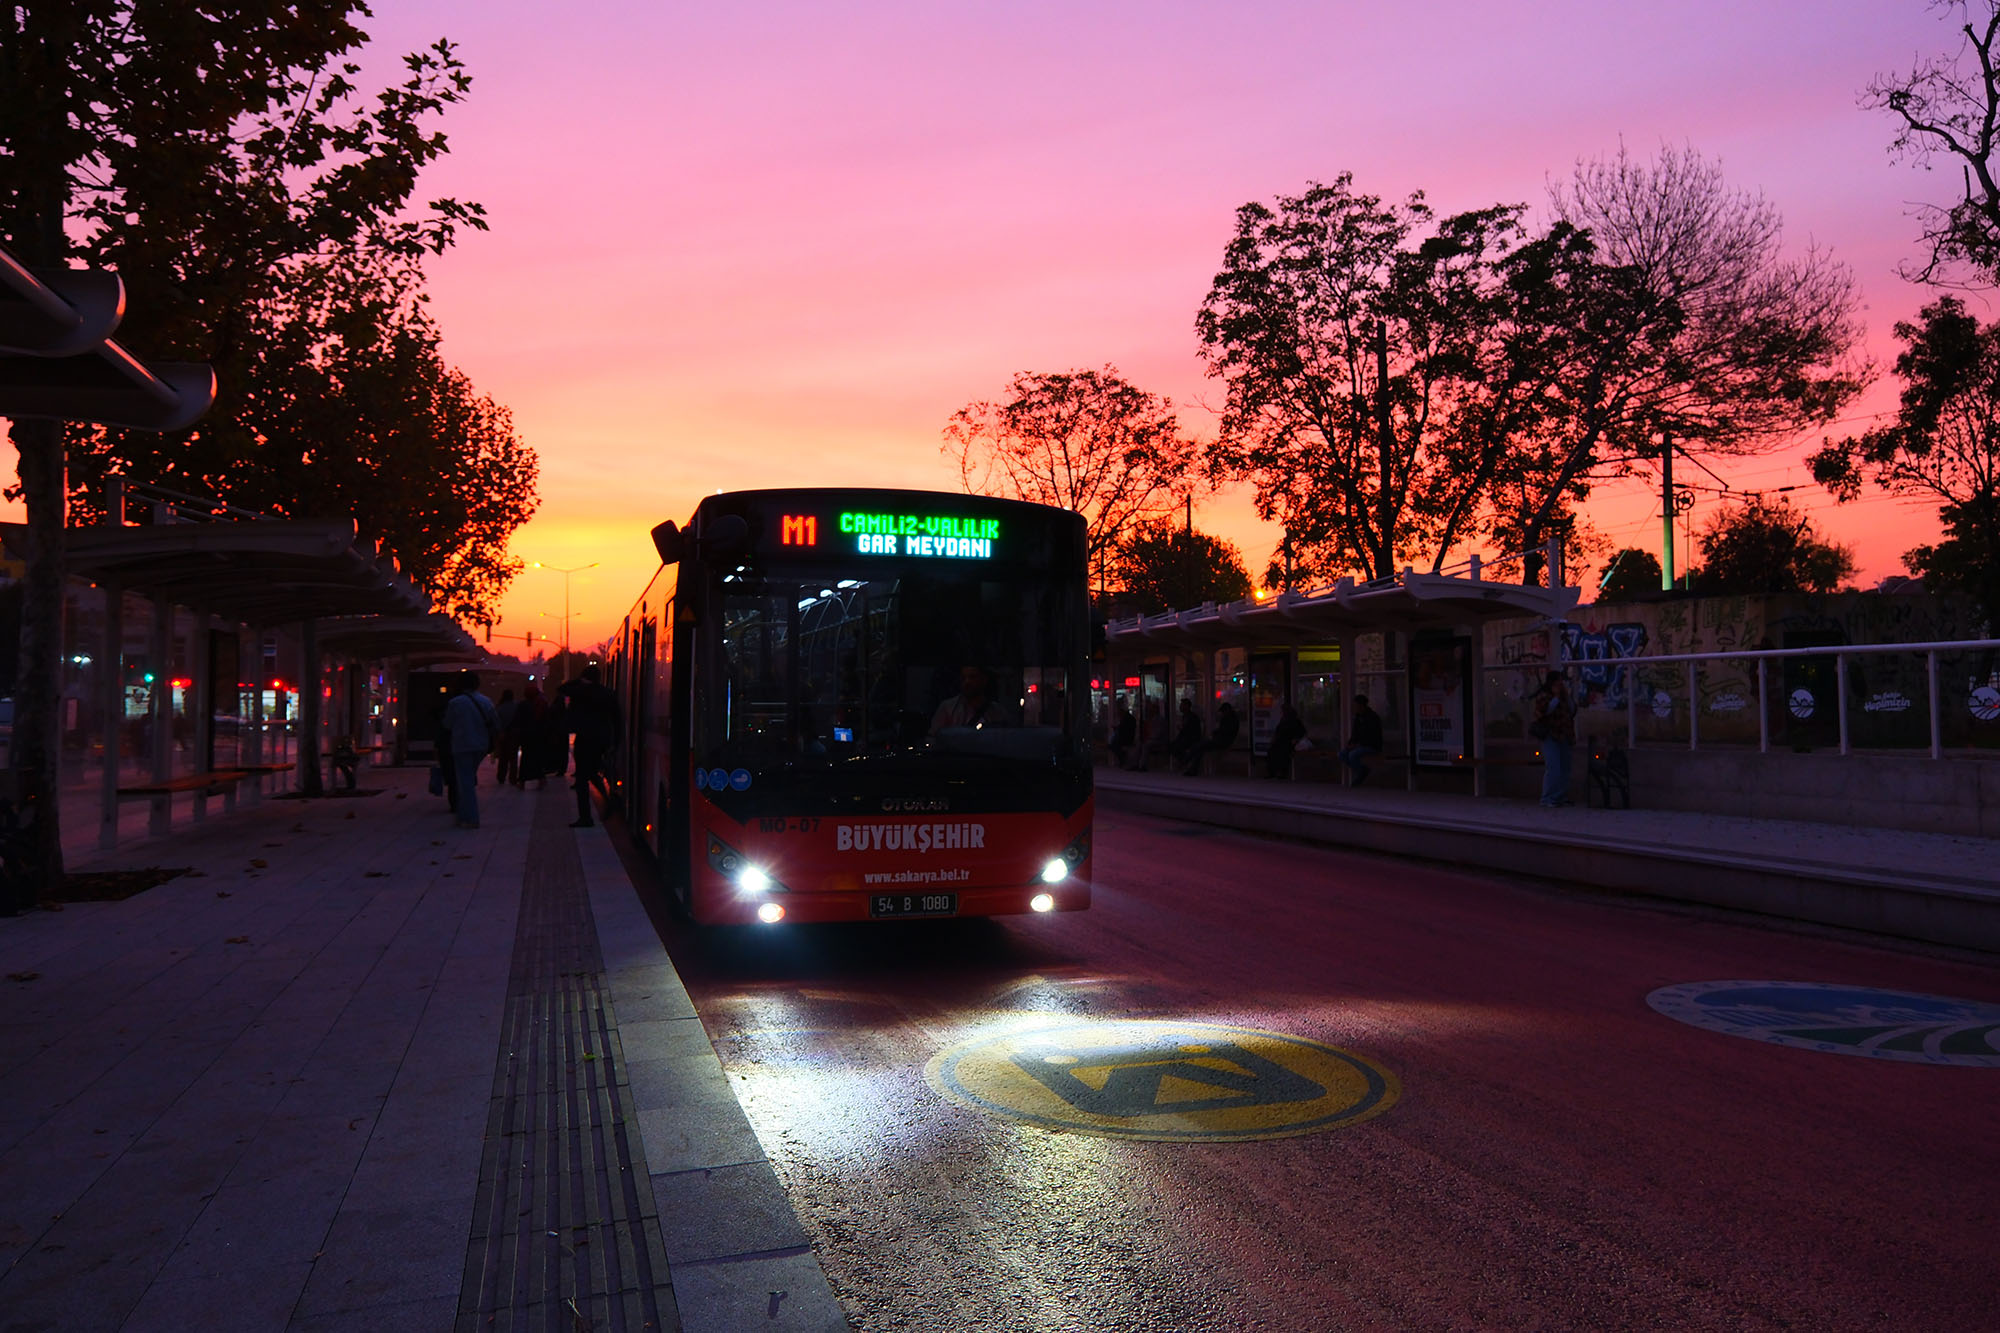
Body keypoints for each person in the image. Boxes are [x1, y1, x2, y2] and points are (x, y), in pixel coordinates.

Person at [562, 665, 621, 828]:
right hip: (601, 739)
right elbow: (617, 718)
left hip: (585, 738)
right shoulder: (607, 693)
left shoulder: (581, 691)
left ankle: (586, 817)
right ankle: (608, 800)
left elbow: (562, 688)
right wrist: (616, 742)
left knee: (582, 778)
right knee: (592, 772)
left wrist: (579, 680)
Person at [441, 674, 500, 828]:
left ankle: (470, 818)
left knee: (465, 782)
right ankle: (462, 815)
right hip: (481, 745)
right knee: (467, 779)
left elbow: (447, 724)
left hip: (462, 745)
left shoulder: (455, 703)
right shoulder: (486, 701)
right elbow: (495, 723)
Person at [1531, 669, 1577, 807]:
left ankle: (1560, 796)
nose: (1560, 684)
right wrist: (1556, 697)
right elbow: (1545, 712)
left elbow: (1572, 710)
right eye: (1558, 681)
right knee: (1553, 767)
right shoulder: (1544, 696)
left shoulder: (1564, 697)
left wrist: (1566, 696)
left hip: (1565, 735)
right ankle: (1547, 797)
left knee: (1564, 767)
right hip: (1551, 735)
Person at [930, 665, 1014, 732]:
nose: (967, 682)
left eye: (972, 677)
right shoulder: (947, 708)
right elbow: (934, 737)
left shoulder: (997, 712)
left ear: (984, 680)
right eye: (963, 678)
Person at [1339, 694, 1384, 785]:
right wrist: (1350, 744)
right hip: (1359, 746)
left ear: (1361, 705)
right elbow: (1354, 734)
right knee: (1342, 754)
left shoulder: (1373, 718)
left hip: (1372, 746)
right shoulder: (1358, 718)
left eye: (1356, 706)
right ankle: (1362, 770)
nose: (1354, 708)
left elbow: (1373, 737)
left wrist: (1358, 745)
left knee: (1352, 755)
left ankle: (1361, 774)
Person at [1186, 700, 1239, 776]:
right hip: (1222, 741)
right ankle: (1191, 766)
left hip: (1222, 741)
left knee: (1200, 746)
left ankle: (1189, 763)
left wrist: (1214, 734)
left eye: (1223, 712)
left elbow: (1224, 731)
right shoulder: (1232, 718)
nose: (1222, 714)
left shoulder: (1229, 719)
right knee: (1200, 747)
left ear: (1226, 711)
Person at [1267, 701, 1307, 779]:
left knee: (1282, 752)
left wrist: (1295, 740)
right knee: (1272, 751)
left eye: (1282, 711)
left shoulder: (1294, 721)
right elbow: (1278, 731)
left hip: (1288, 742)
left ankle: (1282, 773)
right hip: (1280, 742)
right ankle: (1273, 772)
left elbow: (1302, 732)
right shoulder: (1283, 720)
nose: (1281, 712)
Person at [1166, 698, 1204, 774]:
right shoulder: (1185, 716)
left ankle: (1184, 762)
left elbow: (1190, 731)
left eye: (1182, 705)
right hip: (1186, 739)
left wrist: (1182, 730)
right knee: (1172, 747)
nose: (1180, 707)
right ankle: (1184, 761)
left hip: (1191, 739)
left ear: (1187, 706)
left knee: (1175, 747)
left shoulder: (1192, 717)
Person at [492, 688, 519, 786]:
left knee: (503, 758)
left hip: (503, 735)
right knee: (513, 758)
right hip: (514, 735)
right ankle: (513, 778)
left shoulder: (499, 707)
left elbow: (496, 722)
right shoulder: (516, 706)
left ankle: (501, 777)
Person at [1108, 702, 1136, 768]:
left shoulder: (1126, 719)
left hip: (1125, 739)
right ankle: (1122, 759)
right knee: (1114, 744)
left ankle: (1122, 759)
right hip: (1127, 738)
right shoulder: (1128, 718)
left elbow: (1123, 729)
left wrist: (1117, 728)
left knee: (1113, 745)